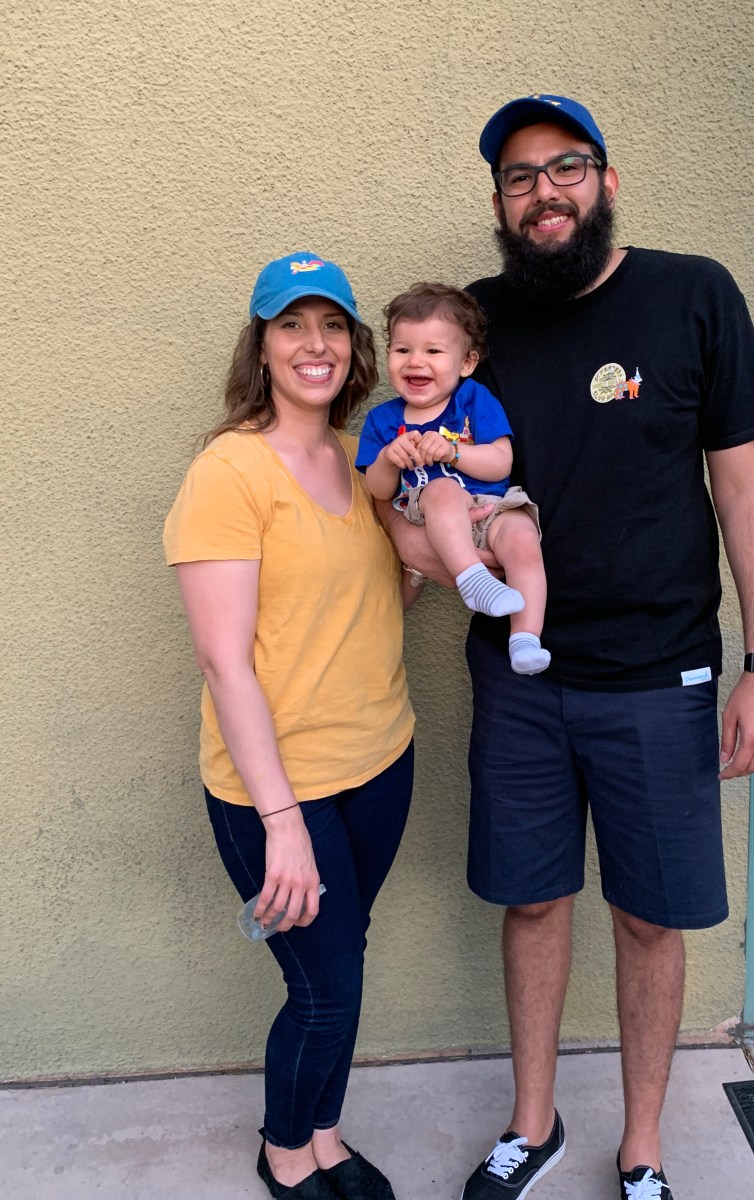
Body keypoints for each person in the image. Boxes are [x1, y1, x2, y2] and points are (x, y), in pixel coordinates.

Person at [383, 95, 754, 1200]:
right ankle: (533, 1123)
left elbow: (750, 490)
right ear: (502, 205)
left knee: (650, 918)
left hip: (662, 676)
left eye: (565, 168)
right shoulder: (472, 325)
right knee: (531, 899)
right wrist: (426, 552)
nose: (544, 192)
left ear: (606, 183)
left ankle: (645, 1144)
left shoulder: (692, 293)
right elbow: (405, 473)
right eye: (519, 178)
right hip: (519, 681)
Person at [163, 251, 417, 1200]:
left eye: (332, 326)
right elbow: (224, 659)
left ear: (352, 347)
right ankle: (284, 1153)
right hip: (279, 788)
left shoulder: (359, 460)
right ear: (262, 347)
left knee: (340, 964)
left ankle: (325, 1133)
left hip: (380, 761)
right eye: (291, 325)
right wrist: (281, 824)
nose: (314, 344)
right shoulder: (229, 470)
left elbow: (371, 589)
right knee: (321, 990)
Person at [356, 282, 550, 675]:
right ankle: (472, 578)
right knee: (441, 488)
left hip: (489, 509)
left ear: (466, 363)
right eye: (402, 349)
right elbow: (376, 490)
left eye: (433, 351)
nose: (415, 362)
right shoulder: (384, 420)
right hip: (429, 516)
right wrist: (389, 461)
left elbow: (500, 463)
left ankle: (525, 638)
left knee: (525, 539)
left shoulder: (473, 399)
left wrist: (454, 452)